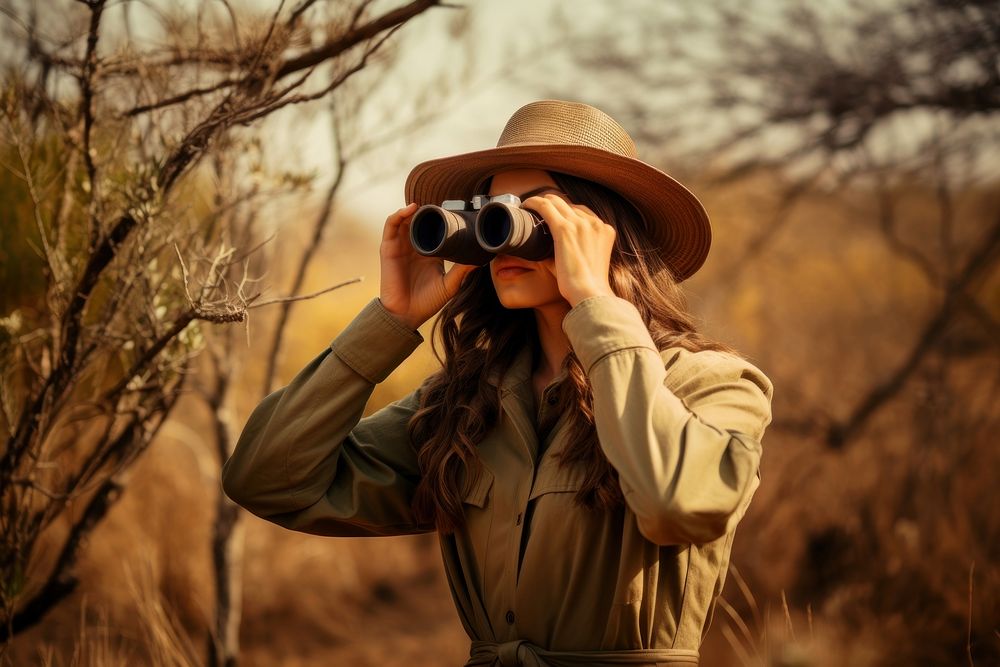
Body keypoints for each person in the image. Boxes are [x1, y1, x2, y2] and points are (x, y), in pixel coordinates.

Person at [222, 100, 773, 666]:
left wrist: (597, 306)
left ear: (602, 231)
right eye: (490, 215)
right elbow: (268, 479)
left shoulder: (710, 383)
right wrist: (390, 322)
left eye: (532, 215)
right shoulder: (467, 403)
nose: (502, 238)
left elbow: (676, 505)